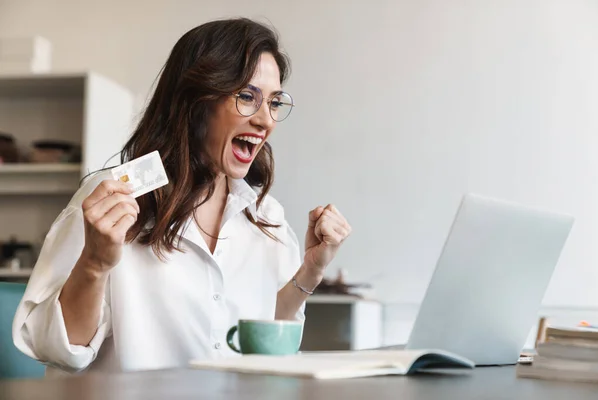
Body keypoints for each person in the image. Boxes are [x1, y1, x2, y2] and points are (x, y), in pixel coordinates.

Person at [12, 18, 351, 375]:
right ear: (196, 100)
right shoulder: (112, 199)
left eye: (274, 102)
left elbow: (264, 340)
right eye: (248, 97)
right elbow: (54, 349)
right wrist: (94, 264)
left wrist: (311, 272)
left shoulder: (267, 217)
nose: (266, 120)